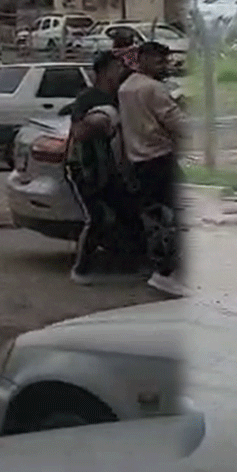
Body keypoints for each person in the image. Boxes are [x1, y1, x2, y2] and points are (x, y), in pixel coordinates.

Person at [65, 51, 148, 285]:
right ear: (103, 72)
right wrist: (98, 123)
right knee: (97, 217)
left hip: (112, 168)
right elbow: (78, 132)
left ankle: (136, 265)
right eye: (116, 68)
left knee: (130, 213)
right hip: (87, 167)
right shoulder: (88, 98)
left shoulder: (122, 96)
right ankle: (82, 269)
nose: (120, 72)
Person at [118, 41, 187, 297]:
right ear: (143, 60)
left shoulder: (126, 88)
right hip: (160, 159)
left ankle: (160, 269)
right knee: (175, 219)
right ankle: (168, 273)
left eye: (165, 61)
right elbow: (177, 123)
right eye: (158, 61)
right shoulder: (153, 89)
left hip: (138, 161)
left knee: (155, 220)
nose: (163, 66)